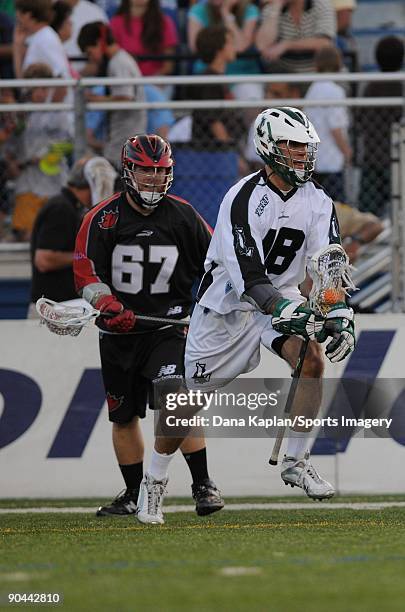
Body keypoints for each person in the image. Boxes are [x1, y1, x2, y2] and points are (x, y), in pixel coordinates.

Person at [137, 107, 356, 525]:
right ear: (268, 148)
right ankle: (154, 480)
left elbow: (328, 266)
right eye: (292, 145)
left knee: (311, 361)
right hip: (227, 306)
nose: (301, 154)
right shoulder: (242, 198)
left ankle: (295, 460)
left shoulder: (319, 201)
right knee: (188, 401)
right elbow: (250, 279)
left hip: (280, 297)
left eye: (305, 146)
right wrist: (290, 311)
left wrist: (339, 309)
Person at [73, 134, 224, 519]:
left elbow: (218, 264)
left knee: (177, 402)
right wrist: (107, 304)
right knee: (123, 417)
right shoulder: (102, 218)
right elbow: (85, 272)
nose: (154, 179)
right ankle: (132, 492)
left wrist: (214, 308)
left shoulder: (183, 216)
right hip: (118, 333)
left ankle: (202, 484)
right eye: (146, 170)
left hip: (167, 327)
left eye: (160, 171)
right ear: (129, 170)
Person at [29, 156, 117, 314]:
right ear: (91, 183)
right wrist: (86, 257)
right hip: (54, 308)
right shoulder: (62, 209)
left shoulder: (68, 206)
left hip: (62, 306)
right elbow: (44, 260)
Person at [6, 62, 73, 241]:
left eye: (45, 87)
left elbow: (67, 144)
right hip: (27, 183)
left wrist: (44, 156)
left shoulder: (59, 113)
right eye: (36, 88)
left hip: (55, 185)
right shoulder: (18, 113)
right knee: (28, 235)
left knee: (56, 235)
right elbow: (10, 146)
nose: (41, 93)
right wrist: (11, 161)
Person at [77, 22, 147, 168]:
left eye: (90, 53)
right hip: (122, 142)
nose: (92, 59)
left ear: (98, 43)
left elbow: (126, 98)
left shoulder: (119, 63)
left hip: (125, 141)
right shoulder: (118, 61)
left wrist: (95, 99)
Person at [357, 36, 404, 217]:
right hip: (397, 158)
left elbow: (360, 120)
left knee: (369, 214)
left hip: (372, 158)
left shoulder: (370, 88)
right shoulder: (400, 88)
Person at [305, 45, 352, 201]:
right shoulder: (335, 91)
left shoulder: (312, 90)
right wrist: (347, 151)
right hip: (332, 161)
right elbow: (335, 127)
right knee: (337, 207)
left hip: (315, 159)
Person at [13, 0, 71, 102]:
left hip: (51, 115)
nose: (17, 19)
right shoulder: (39, 37)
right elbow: (23, 84)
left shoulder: (45, 39)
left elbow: (62, 79)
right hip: (40, 114)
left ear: (28, 15)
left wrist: (51, 109)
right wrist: (17, 47)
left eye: (18, 15)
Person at [256, 0, 336, 73]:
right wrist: (276, 8)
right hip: (284, 76)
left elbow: (325, 43)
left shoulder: (321, 3)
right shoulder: (272, 7)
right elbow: (262, 45)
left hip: (319, 74)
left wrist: (286, 45)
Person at [188, 0, 260, 76]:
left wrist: (226, 12)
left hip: (242, 73)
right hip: (206, 72)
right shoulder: (198, 10)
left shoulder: (250, 10)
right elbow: (196, 47)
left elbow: (240, 46)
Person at [110, 0, 179, 77]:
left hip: (157, 82)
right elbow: (114, 61)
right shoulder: (115, 23)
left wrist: (148, 83)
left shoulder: (165, 23)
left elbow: (168, 66)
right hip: (123, 81)